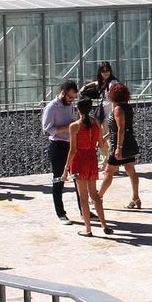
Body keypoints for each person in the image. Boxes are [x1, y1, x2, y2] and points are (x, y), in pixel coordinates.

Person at [64, 99, 109, 236]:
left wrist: (66, 168)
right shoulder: (96, 123)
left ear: (77, 109)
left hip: (79, 161)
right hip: (92, 158)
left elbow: (72, 150)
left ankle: (88, 229)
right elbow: (101, 144)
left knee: (83, 197)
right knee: (94, 195)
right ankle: (104, 224)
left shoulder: (74, 126)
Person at [41, 80, 80, 223]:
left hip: (71, 144)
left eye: (74, 98)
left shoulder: (70, 106)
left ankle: (84, 210)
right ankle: (60, 213)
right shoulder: (52, 107)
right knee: (59, 179)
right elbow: (46, 128)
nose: (71, 100)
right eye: (70, 97)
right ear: (63, 93)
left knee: (78, 178)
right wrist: (66, 127)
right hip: (57, 145)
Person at [100, 83, 143, 210]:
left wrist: (118, 147)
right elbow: (118, 128)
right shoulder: (127, 107)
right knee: (131, 170)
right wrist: (106, 137)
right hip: (128, 143)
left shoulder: (118, 109)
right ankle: (135, 197)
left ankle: (98, 196)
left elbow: (120, 129)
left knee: (108, 171)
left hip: (120, 145)